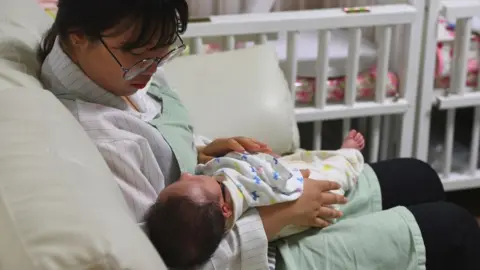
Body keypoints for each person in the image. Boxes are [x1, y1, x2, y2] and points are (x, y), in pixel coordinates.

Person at [37, 0, 480, 269]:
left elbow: (157, 133)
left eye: (163, 53)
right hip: (243, 250)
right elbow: (169, 258)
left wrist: (203, 147)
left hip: (243, 194)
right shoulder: (96, 139)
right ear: (78, 38)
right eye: (139, 59)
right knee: (455, 228)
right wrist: (282, 218)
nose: (151, 71)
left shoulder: (115, 67)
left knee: (419, 177)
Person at [145, 130, 365, 268]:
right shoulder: (242, 195)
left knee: (304, 159)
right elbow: (283, 187)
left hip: (285, 175)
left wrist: (209, 151)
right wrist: (288, 177)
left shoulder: (207, 207)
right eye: (194, 181)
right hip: (304, 191)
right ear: (225, 209)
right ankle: (349, 154)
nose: (186, 174)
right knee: (333, 173)